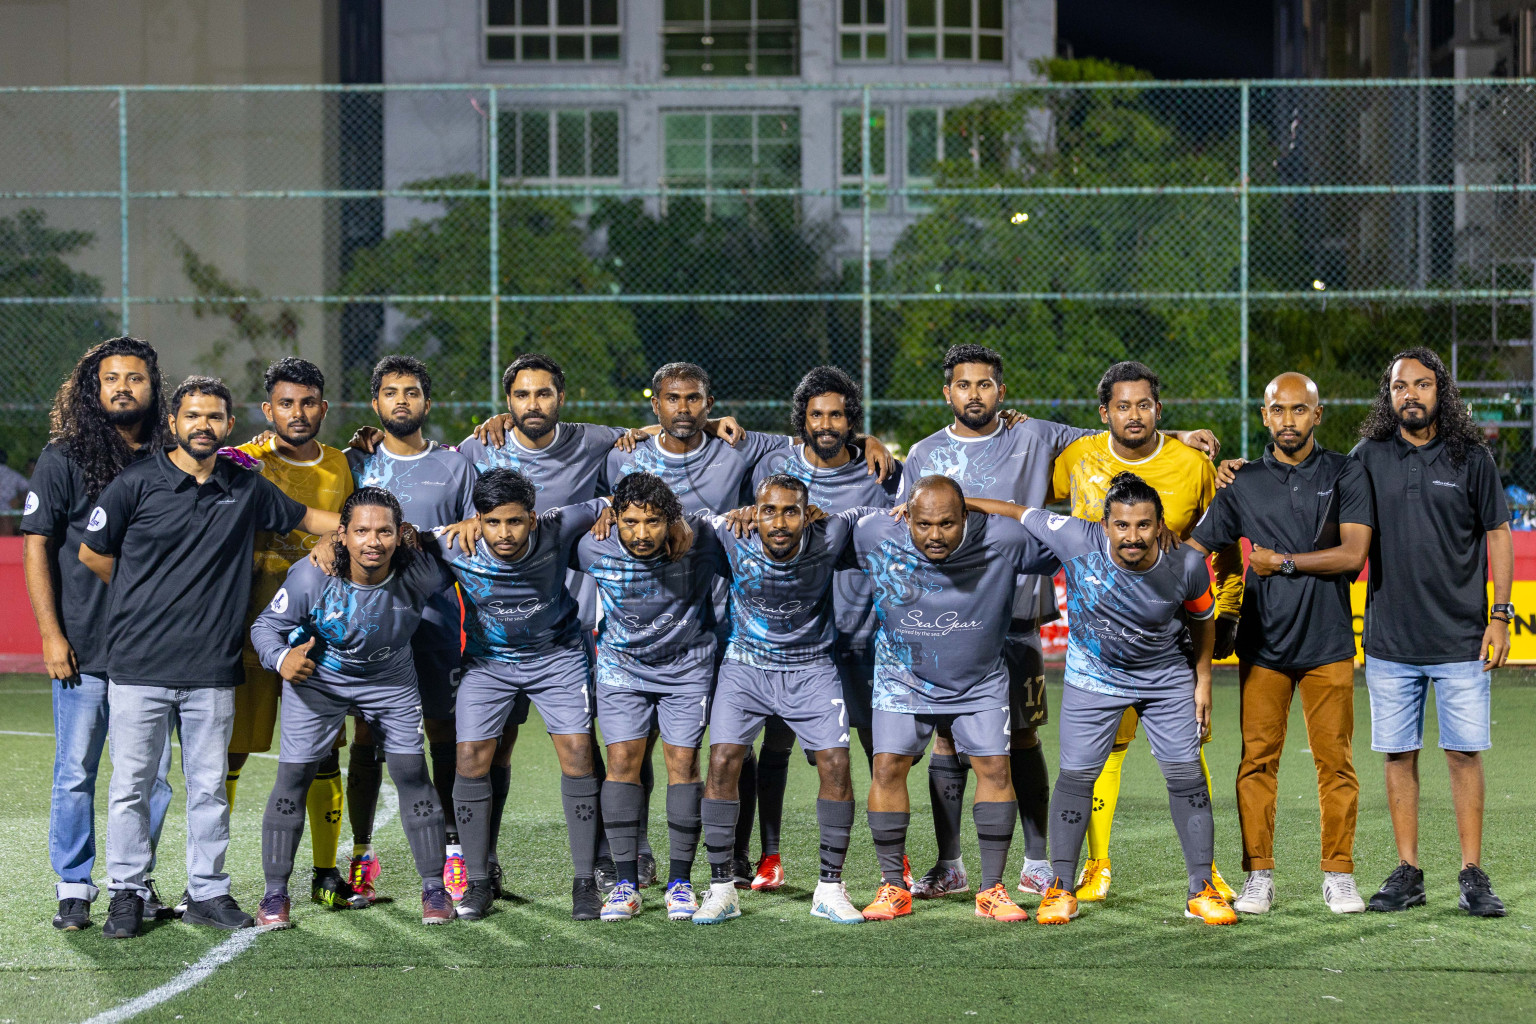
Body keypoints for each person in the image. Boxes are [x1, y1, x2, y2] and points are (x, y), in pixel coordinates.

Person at [900, 345, 1220, 901]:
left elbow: (1121, 431)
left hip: (1021, 613)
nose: (974, 394)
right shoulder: (923, 453)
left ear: (1002, 390)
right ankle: (952, 863)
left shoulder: (1037, 434)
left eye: (985, 384)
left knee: (1027, 734)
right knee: (948, 740)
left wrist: (1182, 436)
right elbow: (908, 523)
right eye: (964, 384)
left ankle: (1039, 864)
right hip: (949, 617)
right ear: (947, 392)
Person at [79, 376, 344, 938]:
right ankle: (127, 892)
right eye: (193, 415)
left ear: (229, 425)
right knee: (131, 786)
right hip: (140, 666)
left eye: (214, 416)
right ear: (174, 423)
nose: (203, 425)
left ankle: (207, 891)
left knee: (208, 788)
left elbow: (308, 518)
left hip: (212, 668)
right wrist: (144, 599)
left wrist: (363, 531)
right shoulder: (135, 483)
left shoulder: (244, 485)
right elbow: (92, 554)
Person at [963, 474, 1237, 927]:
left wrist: (1202, 679)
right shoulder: (1075, 537)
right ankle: (1061, 888)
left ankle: (1200, 889)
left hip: (1165, 677)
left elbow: (1202, 619)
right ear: (1104, 525)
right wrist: (950, 500)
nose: (1133, 536)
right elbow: (1014, 511)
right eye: (1123, 525)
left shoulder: (1186, 564)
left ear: (1160, 525)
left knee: (1186, 776)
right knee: (1076, 777)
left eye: (1144, 525)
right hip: (1094, 677)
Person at [1048, 360, 1240, 903]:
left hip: (1169, 645)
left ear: (1159, 408)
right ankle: (1096, 865)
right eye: (1123, 406)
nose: (1134, 415)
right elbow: (1018, 477)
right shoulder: (1078, 457)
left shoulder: (1193, 465)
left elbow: (1222, 541)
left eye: (1145, 405)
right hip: (1100, 647)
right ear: (1104, 412)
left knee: (1186, 756)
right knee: (1101, 754)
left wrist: (1227, 610)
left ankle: (1206, 872)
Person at [1186, 372, 1371, 914]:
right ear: (1264, 417)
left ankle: (1339, 874)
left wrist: (1282, 562)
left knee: (1336, 763)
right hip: (1263, 644)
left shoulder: (1345, 472)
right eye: (1278, 410)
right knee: (1256, 762)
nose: (1288, 420)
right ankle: (1258, 876)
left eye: (1299, 409)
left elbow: (1353, 555)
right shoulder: (1242, 481)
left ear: (1318, 415)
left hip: (1329, 643)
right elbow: (1196, 548)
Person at [21, 337, 176, 931]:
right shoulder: (62, 457)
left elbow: (240, 458)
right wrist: (50, 635)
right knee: (75, 772)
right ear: (93, 388)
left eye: (135, 378)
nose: (123, 388)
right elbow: (37, 546)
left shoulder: (173, 456)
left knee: (152, 778)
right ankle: (73, 886)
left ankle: (134, 882)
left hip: (154, 651)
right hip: (83, 647)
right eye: (111, 378)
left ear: (153, 387)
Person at [853, 475, 1057, 924]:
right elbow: (820, 534)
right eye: (923, 523)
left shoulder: (1003, 539)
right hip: (902, 676)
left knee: (995, 769)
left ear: (967, 516)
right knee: (887, 768)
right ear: (905, 516)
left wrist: (991, 505)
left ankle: (991, 890)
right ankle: (893, 886)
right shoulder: (875, 533)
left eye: (947, 523)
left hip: (979, 679)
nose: (935, 535)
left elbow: (1070, 540)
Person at [1350, 348, 1512, 917]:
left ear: (1440, 390)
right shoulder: (1368, 455)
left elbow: (1498, 533)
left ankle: (1472, 873)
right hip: (1391, 640)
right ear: (1388, 395)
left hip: (1462, 638)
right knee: (1399, 755)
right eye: (1400, 386)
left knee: (1464, 754)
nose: (1411, 395)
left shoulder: (1472, 456)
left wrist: (1500, 616)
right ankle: (1408, 872)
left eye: (1422, 384)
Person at [248, 487, 455, 928]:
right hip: (318, 681)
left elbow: (460, 538)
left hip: (390, 681)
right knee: (294, 777)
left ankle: (434, 889)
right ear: (342, 534)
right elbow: (266, 626)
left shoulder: (421, 570)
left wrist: (466, 525)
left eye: (384, 532)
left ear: (400, 534)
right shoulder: (313, 574)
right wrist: (282, 659)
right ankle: (274, 895)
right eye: (361, 531)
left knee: (411, 773)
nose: (372, 542)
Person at [739, 366, 904, 892]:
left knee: (879, 750)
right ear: (802, 420)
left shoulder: (883, 472)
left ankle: (893, 866)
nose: (826, 424)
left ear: (851, 420)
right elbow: (721, 434)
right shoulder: (775, 466)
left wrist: (871, 443)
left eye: (837, 415)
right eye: (816, 415)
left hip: (865, 630)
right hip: (796, 638)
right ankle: (770, 856)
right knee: (777, 745)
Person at [423, 470, 613, 922]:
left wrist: (608, 512)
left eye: (514, 521)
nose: (503, 533)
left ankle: (585, 882)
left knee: (578, 752)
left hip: (556, 656)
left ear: (532, 517)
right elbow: (400, 535)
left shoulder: (558, 525)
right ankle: (479, 882)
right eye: (492, 522)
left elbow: (612, 500)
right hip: (488, 662)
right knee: (469, 757)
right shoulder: (453, 542)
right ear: (477, 520)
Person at [693, 475, 872, 926]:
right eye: (768, 511)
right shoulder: (731, 533)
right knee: (723, 760)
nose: (778, 522)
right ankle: (721, 889)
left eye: (791, 511)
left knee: (836, 763)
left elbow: (878, 515)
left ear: (807, 514)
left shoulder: (830, 532)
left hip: (811, 667)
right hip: (746, 664)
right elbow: (682, 520)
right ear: (754, 512)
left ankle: (829, 888)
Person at [220, 357, 355, 910]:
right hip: (248, 630)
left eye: (307, 403)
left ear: (324, 408)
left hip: (320, 637)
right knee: (229, 755)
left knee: (322, 757)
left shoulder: (342, 463)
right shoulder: (242, 461)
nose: (297, 413)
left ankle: (326, 873)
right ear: (267, 409)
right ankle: (210, 877)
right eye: (285, 403)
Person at [345, 355, 477, 903]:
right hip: (368, 621)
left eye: (412, 392)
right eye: (391, 392)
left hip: (437, 619)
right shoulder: (355, 463)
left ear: (427, 402)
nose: (402, 401)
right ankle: (362, 856)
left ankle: (452, 852)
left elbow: (475, 531)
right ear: (375, 403)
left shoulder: (456, 465)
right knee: (367, 732)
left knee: (442, 729)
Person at [573, 472, 726, 922]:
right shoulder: (592, 546)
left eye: (654, 521)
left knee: (683, 764)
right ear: (615, 517)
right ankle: (626, 884)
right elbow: (540, 532)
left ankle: (681, 882)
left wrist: (687, 522)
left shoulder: (698, 537)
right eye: (631, 521)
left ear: (671, 520)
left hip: (687, 667)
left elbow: (743, 520)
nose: (642, 533)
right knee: (622, 762)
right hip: (622, 668)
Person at [0, 446, 30, 536]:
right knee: (6, 538)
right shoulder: (12, 474)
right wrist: (18, 499)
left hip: (5, 510)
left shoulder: (11, 474)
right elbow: (29, 488)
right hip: (7, 511)